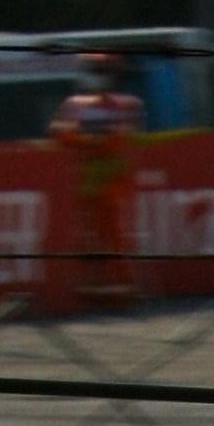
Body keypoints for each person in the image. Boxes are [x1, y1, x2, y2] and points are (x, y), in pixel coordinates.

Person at [48, 54, 144, 306]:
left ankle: (120, 286)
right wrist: (91, 142)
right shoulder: (73, 104)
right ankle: (85, 284)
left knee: (113, 233)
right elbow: (58, 134)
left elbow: (119, 137)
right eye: (95, 70)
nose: (100, 76)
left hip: (110, 180)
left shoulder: (124, 104)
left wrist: (86, 141)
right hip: (83, 179)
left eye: (104, 70)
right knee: (84, 234)